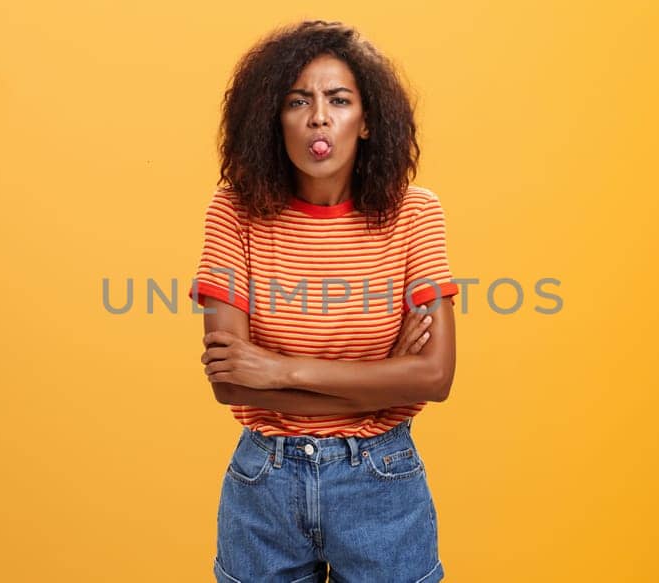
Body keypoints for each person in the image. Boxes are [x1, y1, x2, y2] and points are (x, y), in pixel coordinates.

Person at [189, 20, 459, 583]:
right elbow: (231, 383)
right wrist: (385, 377)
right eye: (298, 101)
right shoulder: (233, 213)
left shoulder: (416, 215)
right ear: (274, 119)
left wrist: (276, 369)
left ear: (365, 122)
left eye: (339, 100)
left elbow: (434, 377)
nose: (319, 117)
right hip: (265, 484)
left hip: (381, 481)